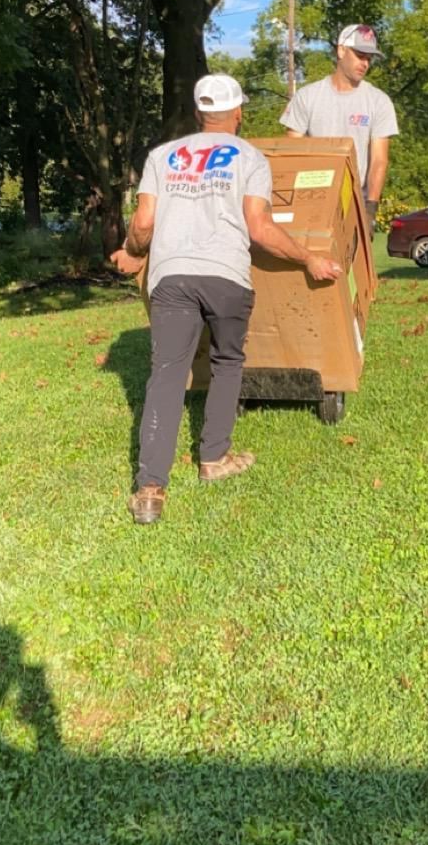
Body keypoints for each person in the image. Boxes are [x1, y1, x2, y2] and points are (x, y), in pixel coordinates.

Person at [111, 72, 341, 525]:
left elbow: (142, 225)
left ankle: (151, 489)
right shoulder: (250, 158)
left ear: (198, 113)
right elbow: (260, 230)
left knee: (166, 375)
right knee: (227, 361)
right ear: (238, 113)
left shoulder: (162, 156)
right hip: (227, 277)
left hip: (172, 276)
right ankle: (213, 460)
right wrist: (308, 258)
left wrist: (134, 253)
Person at [280, 24, 398, 234]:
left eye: (369, 58)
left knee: (350, 265)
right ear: (341, 50)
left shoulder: (379, 101)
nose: (365, 63)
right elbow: (291, 152)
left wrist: (370, 207)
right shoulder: (307, 97)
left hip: (354, 199)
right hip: (311, 196)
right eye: (360, 55)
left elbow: (379, 160)